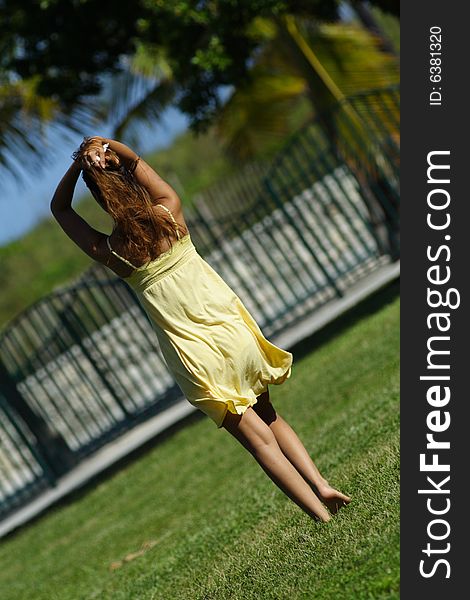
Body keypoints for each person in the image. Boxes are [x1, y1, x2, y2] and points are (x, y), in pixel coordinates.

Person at [50, 136, 351, 522]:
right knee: (269, 415)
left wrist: (79, 165)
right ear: (127, 179)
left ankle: (320, 516)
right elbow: (136, 158)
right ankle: (322, 484)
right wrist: (105, 147)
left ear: (101, 199)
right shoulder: (171, 214)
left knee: (259, 443)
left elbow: (59, 209)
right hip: (230, 331)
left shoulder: (113, 252)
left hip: (196, 357)